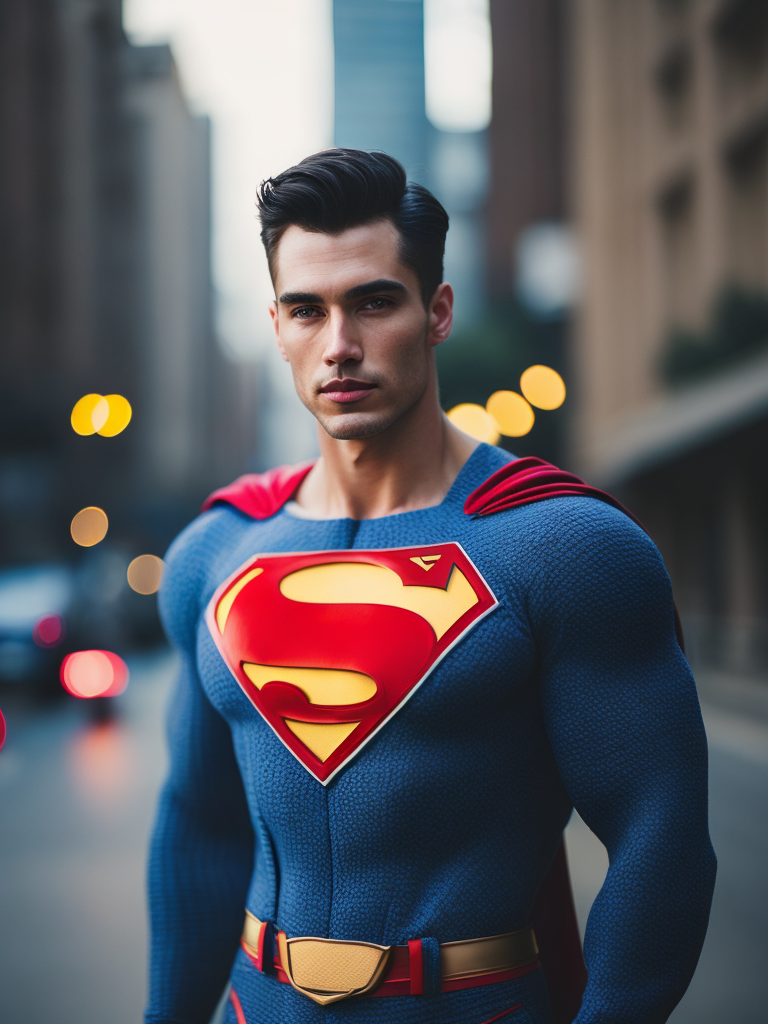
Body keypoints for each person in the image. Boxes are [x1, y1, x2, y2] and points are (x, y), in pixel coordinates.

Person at [145, 149, 715, 1024]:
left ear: (436, 311)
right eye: (307, 310)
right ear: (277, 325)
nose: (339, 346)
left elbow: (659, 835)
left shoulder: (561, 546)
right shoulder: (212, 555)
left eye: (374, 302)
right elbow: (199, 826)